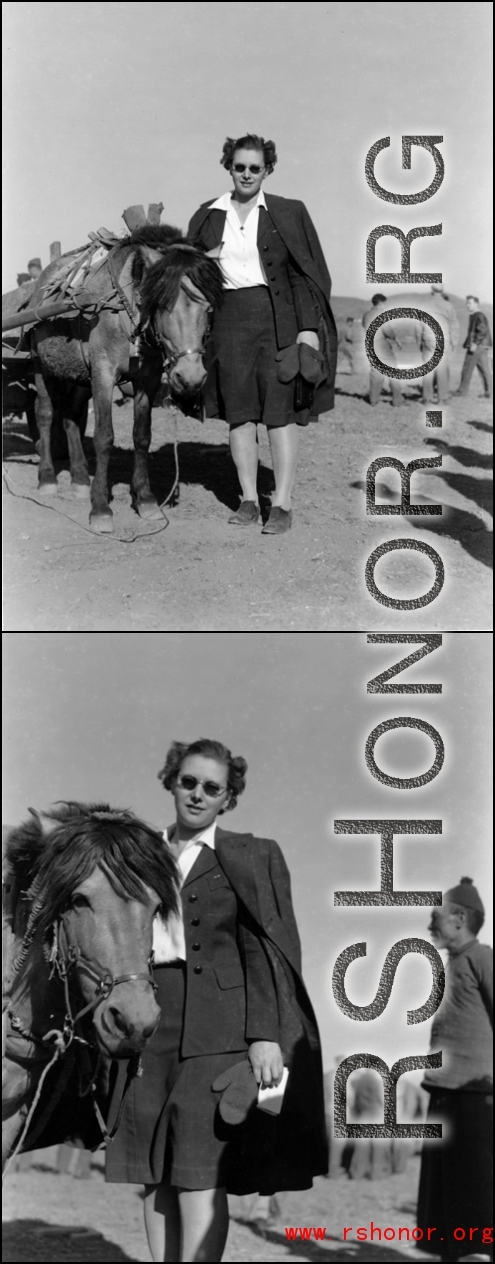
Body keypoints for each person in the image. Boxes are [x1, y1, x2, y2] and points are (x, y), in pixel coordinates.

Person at [105, 738, 327, 1263]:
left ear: (228, 798)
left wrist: (266, 1036)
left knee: (200, 1174)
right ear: (171, 782)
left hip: (221, 1031)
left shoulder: (249, 854)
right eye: (189, 782)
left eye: (212, 788)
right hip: (149, 1023)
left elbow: (266, 952)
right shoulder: (140, 854)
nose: (198, 795)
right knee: (156, 1173)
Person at [187, 134, 337, 535]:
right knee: (240, 415)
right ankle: (250, 500)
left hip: (279, 322)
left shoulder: (288, 212)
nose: (247, 174)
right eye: (240, 167)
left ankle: (283, 504)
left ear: (268, 169)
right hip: (229, 323)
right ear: (229, 167)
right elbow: (191, 280)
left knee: (279, 415)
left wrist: (307, 329)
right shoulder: (206, 216)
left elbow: (304, 275)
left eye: (256, 167)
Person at [417, 877, 493, 1263]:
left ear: (460, 917)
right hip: (444, 1094)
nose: (430, 926)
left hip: (475, 1098)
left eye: (436, 917)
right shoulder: (453, 963)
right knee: (445, 1206)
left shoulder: (483, 958)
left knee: (474, 1205)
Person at [362, 294, 404, 406]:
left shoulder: (366, 314)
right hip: (382, 346)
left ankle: (373, 400)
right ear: (380, 303)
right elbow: (388, 330)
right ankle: (397, 400)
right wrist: (396, 339)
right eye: (384, 303)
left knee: (375, 372)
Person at [421, 283, 459, 404]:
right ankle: (442, 398)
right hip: (444, 340)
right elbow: (454, 326)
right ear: (442, 291)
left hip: (428, 338)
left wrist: (419, 338)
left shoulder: (424, 305)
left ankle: (427, 398)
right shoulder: (448, 306)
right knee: (442, 369)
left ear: (432, 290)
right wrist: (454, 342)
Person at [453, 296, 492, 399]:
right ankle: (489, 392)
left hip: (477, 346)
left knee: (467, 368)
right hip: (483, 346)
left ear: (476, 304)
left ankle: (461, 391)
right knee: (485, 370)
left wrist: (474, 343)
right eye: (467, 303)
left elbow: (482, 330)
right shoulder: (477, 315)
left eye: (470, 303)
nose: (467, 305)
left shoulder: (478, 315)